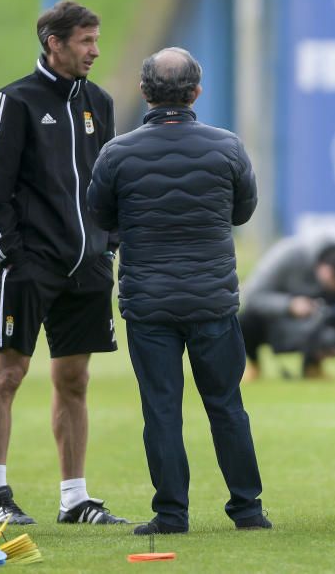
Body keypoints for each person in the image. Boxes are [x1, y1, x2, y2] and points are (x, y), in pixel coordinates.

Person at [88, 47, 270, 535]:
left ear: (145, 93)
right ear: (196, 92)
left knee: (161, 410)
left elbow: (101, 216)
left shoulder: (117, 153)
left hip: (148, 303)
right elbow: (242, 211)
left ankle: (171, 514)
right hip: (212, 300)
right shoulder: (226, 147)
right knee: (226, 404)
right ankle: (247, 511)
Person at [0, 0, 126, 526]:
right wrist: (13, 256)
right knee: (8, 373)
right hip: (30, 267)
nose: (94, 50)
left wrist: (108, 244)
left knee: (75, 380)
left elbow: (110, 186)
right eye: (85, 41)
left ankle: (74, 499)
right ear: (53, 43)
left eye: (96, 40)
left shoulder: (99, 102)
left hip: (87, 270)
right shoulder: (14, 99)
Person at [239, 236, 335, 380]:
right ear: (327, 272)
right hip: (273, 321)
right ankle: (253, 366)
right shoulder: (288, 255)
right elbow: (251, 296)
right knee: (244, 320)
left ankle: (313, 368)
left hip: (312, 326)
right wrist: (289, 305)